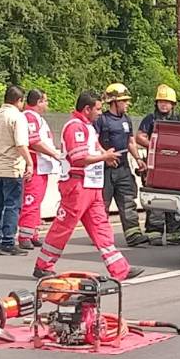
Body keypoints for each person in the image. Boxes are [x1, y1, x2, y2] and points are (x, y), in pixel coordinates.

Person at [33, 90, 144, 280]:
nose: (100, 113)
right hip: (77, 186)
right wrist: (105, 156)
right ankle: (43, 265)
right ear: (86, 109)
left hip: (91, 186)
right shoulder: (75, 127)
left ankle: (120, 269)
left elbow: (93, 147)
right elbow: (78, 158)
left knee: (102, 228)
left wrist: (105, 155)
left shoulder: (88, 126)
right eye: (98, 109)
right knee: (63, 227)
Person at [0, 85, 33, 256]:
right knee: (12, 205)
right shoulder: (18, 117)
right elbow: (21, 145)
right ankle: (8, 242)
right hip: (12, 168)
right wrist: (29, 163)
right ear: (19, 100)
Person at [95, 83, 149, 247]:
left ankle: (133, 236)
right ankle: (101, 238)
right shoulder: (101, 120)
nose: (127, 104)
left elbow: (131, 142)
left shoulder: (126, 119)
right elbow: (93, 141)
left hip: (124, 167)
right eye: (124, 101)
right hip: (106, 169)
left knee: (128, 201)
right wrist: (105, 156)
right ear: (114, 102)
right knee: (102, 204)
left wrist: (138, 159)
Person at [136, 84, 180, 245]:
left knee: (173, 198)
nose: (163, 104)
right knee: (155, 198)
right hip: (154, 165)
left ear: (173, 104)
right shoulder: (150, 119)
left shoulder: (178, 120)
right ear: (156, 103)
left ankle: (174, 234)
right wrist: (155, 147)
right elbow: (140, 137)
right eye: (161, 101)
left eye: (167, 102)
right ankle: (154, 233)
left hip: (173, 166)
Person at [17, 89, 61, 250]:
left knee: (37, 201)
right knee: (31, 200)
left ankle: (32, 232)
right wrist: (54, 154)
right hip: (34, 165)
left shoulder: (37, 118)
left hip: (41, 167)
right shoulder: (29, 117)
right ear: (39, 102)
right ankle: (24, 235)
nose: (47, 104)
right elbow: (34, 142)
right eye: (46, 101)